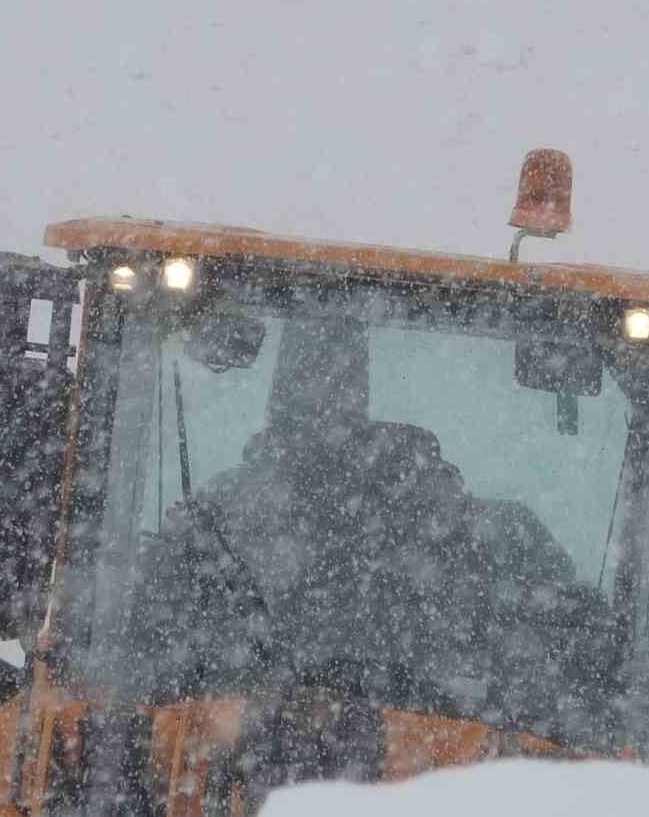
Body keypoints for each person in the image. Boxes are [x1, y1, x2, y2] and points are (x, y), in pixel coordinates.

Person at [128, 317, 620, 743]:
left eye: (327, 384)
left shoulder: (223, 520)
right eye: (312, 380)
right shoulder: (218, 524)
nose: (322, 406)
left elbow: (576, 668)